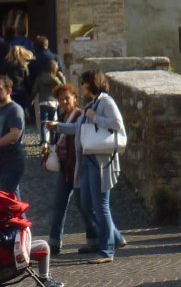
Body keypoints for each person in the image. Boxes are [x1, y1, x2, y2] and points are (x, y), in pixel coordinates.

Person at [64, 69, 125, 264]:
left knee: (101, 206)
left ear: (91, 83)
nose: (81, 87)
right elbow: (79, 128)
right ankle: (115, 238)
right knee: (86, 203)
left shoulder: (105, 102)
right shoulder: (92, 104)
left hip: (101, 161)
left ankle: (107, 250)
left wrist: (94, 117)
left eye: (83, 83)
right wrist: (57, 126)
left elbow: (117, 123)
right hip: (89, 160)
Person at [41, 83, 85, 256]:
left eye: (67, 97)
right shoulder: (61, 115)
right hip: (65, 168)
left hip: (78, 167)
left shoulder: (80, 116)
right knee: (59, 204)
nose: (64, 101)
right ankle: (54, 241)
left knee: (84, 207)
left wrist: (56, 126)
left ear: (75, 97)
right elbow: (57, 143)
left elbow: (77, 135)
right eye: (61, 99)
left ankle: (103, 237)